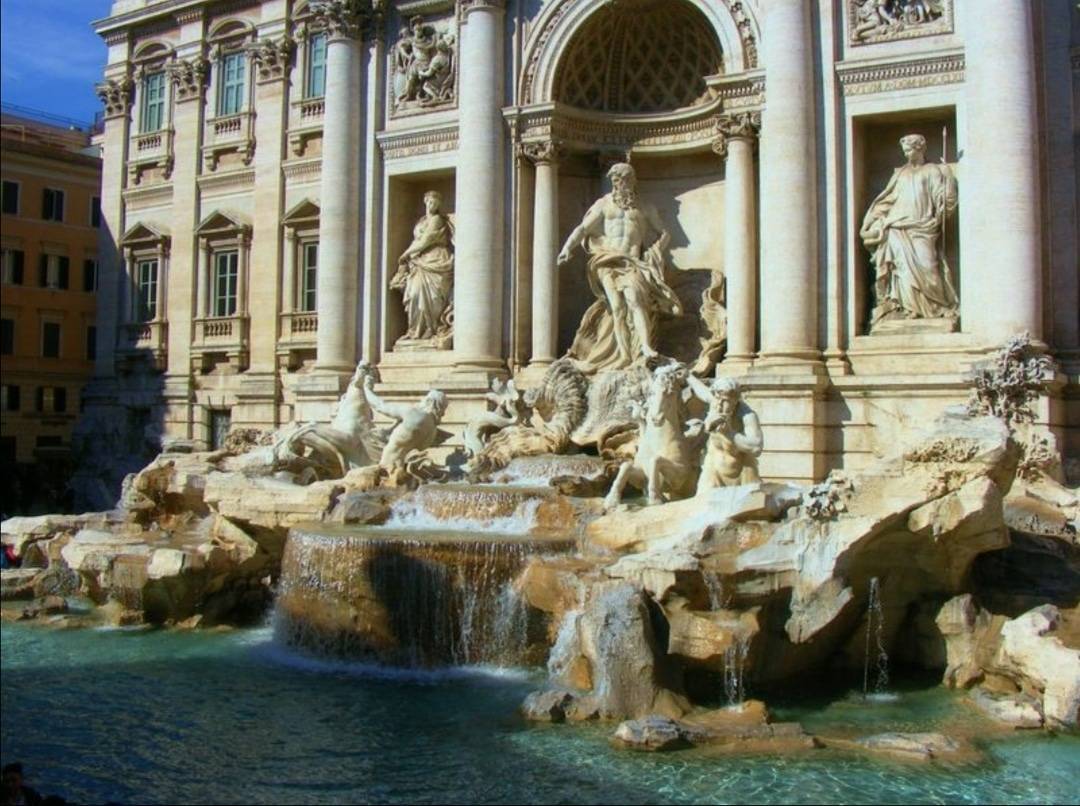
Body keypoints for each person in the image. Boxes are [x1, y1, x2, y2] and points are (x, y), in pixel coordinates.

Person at [557, 162, 682, 373]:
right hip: (607, 260)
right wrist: (567, 248)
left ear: (633, 181)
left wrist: (654, 252)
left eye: (623, 179)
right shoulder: (604, 204)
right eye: (616, 180)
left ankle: (645, 348)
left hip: (632, 262)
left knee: (634, 300)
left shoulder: (644, 207)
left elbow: (665, 233)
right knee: (616, 307)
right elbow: (583, 228)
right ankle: (624, 354)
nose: (619, 184)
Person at [860, 133, 958, 327]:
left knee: (928, 265)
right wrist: (872, 221)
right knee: (901, 269)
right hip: (896, 226)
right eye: (904, 151)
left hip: (923, 227)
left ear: (920, 148)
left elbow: (946, 200)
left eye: (909, 150)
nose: (906, 154)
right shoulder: (901, 174)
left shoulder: (934, 171)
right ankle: (906, 308)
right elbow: (887, 200)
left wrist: (948, 183)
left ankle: (934, 307)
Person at [390, 191, 454, 346]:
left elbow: (426, 240)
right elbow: (417, 241)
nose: (433, 205)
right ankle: (414, 331)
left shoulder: (437, 220)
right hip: (420, 261)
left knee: (432, 297)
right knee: (414, 294)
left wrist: (406, 253)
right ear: (425, 202)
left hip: (436, 259)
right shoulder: (421, 221)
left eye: (436, 203)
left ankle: (431, 329)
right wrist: (408, 255)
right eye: (431, 202)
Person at [687, 375, 762, 492]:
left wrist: (730, 434)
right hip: (713, 470)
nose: (719, 404)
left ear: (735, 400)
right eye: (718, 398)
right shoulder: (715, 403)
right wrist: (687, 375)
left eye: (725, 401)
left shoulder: (747, 415)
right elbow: (700, 389)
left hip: (742, 472)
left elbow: (756, 447)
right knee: (702, 503)